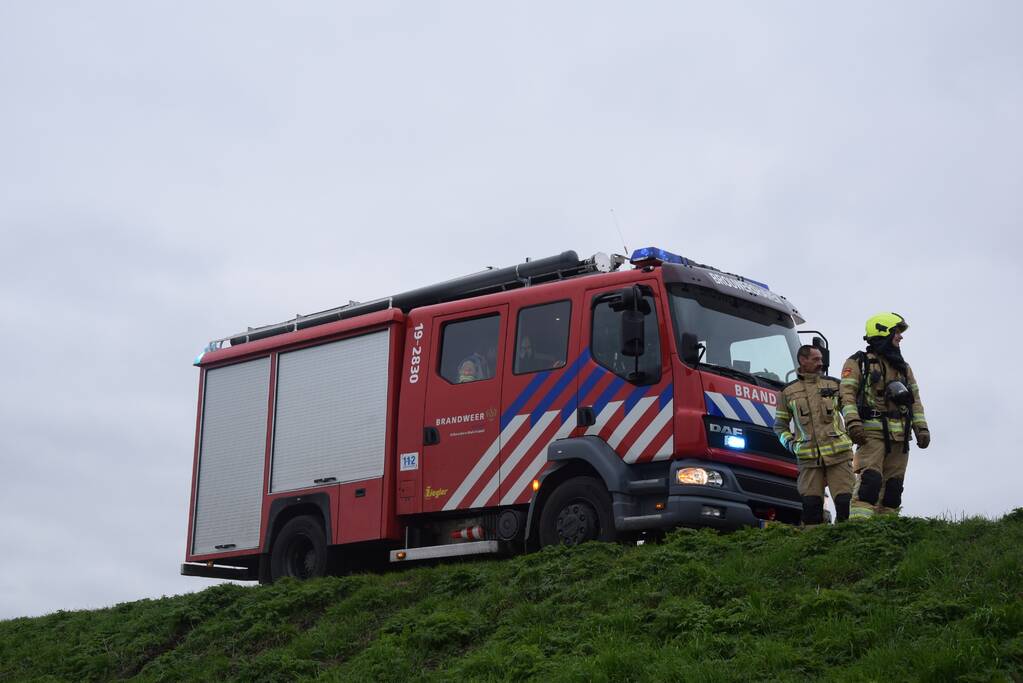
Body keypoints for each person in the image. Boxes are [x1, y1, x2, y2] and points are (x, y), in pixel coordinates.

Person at [839, 313, 929, 518]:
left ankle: (886, 534)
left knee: (893, 490)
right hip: (871, 435)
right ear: (883, 332)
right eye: (896, 332)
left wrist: (921, 428)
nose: (900, 337)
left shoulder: (904, 369)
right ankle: (860, 533)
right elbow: (847, 396)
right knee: (869, 484)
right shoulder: (858, 362)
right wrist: (853, 423)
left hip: (900, 438)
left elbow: (915, 400)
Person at [774, 345, 855, 525]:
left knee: (845, 504)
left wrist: (850, 435)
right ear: (803, 361)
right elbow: (780, 426)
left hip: (839, 456)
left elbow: (850, 412)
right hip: (808, 460)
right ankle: (815, 548)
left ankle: (847, 543)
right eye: (816, 359)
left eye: (821, 359)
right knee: (811, 509)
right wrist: (792, 445)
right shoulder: (787, 392)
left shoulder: (834, 385)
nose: (821, 363)